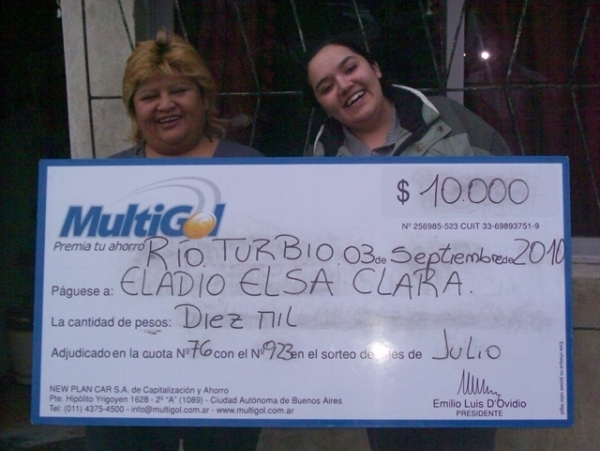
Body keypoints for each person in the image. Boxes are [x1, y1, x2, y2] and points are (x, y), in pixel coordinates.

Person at [305, 37, 511, 451]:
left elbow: (516, 200)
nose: (343, 85)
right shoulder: (319, 163)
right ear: (322, 105)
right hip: (382, 359)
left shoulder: (450, 118)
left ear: (375, 68)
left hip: (467, 344)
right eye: (326, 87)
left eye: (350, 68)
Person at [86, 30, 263, 451]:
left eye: (178, 90)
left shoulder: (254, 169)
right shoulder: (102, 181)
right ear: (134, 110)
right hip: (130, 381)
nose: (165, 104)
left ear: (203, 96)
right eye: (149, 96)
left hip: (227, 377)